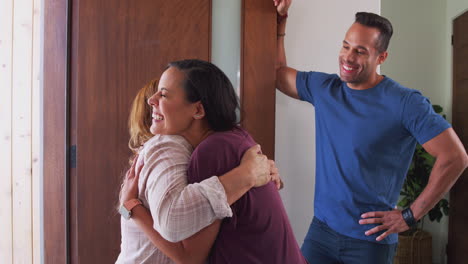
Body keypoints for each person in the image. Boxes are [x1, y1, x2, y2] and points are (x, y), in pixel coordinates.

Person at [274, 0, 468, 263]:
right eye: (346, 46)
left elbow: (455, 157)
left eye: (360, 51)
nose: (348, 57)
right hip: (321, 233)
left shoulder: (405, 103)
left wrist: (410, 216)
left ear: (381, 57)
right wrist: (281, 22)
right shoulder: (325, 88)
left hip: (369, 244)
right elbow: (276, 74)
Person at [120, 59, 308, 263]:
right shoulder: (235, 139)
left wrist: (132, 207)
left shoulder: (212, 152)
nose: (151, 100)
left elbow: (187, 253)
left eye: (163, 94)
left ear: (198, 110)